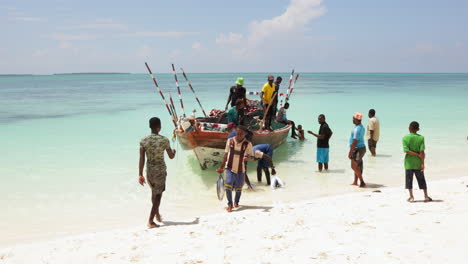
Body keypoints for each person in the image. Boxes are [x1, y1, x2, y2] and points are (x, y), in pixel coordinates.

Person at [139, 117, 176, 228]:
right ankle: (150, 220)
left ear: (150, 126)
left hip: (149, 170)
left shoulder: (143, 140)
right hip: (160, 170)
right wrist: (173, 151)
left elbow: (141, 158)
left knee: (153, 192)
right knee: (158, 195)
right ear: (159, 127)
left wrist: (140, 174)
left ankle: (157, 214)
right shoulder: (164, 140)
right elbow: (171, 156)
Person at [216, 126, 254, 212]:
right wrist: (221, 167)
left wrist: (247, 157)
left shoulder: (248, 144)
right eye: (238, 133)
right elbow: (226, 155)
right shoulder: (230, 140)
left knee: (238, 188)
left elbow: (251, 157)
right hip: (229, 167)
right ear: (235, 132)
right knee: (228, 185)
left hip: (241, 169)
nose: (239, 135)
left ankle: (236, 202)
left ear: (245, 134)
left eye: (241, 133)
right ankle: (230, 204)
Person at [403, 121, 432, 202]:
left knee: (409, 180)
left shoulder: (405, 138)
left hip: (408, 163)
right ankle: (426, 196)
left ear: (409, 128)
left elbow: (406, 150)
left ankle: (411, 197)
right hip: (418, 163)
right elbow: (422, 151)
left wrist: (416, 154)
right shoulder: (421, 138)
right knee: (421, 179)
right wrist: (422, 163)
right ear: (418, 129)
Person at [349, 112, 366, 187]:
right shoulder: (361, 127)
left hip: (357, 149)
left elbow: (355, 141)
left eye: (353, 118)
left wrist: (350, 152)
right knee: (357, 166)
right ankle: (355, 181)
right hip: (361, 148)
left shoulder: (357, 129)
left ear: (356, 119)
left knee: (353, 166)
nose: (352, 120)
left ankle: (362, 182)